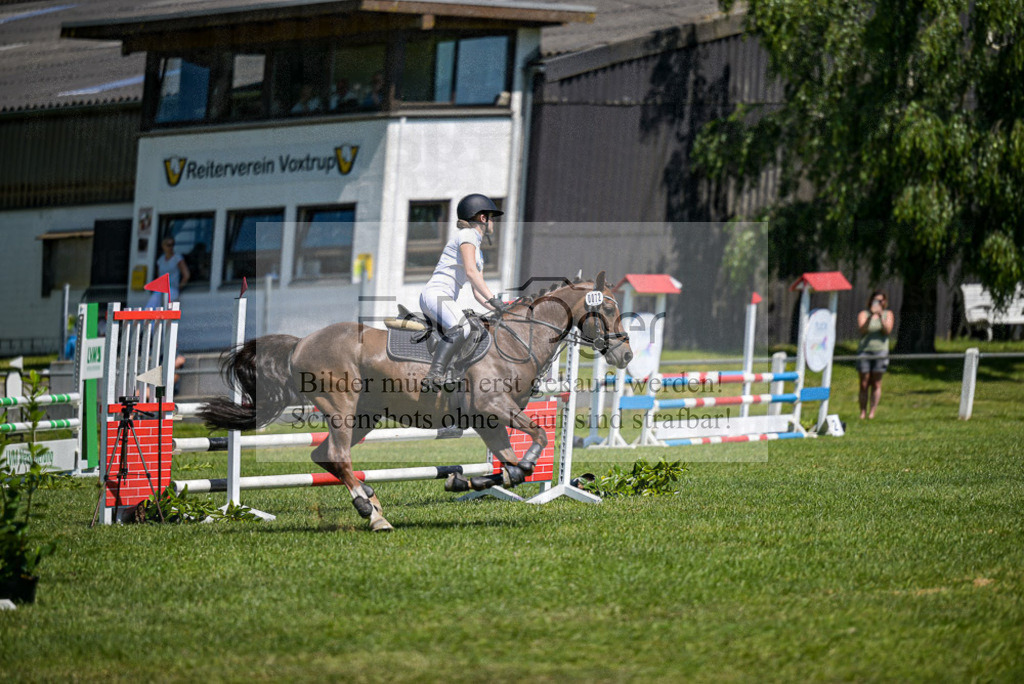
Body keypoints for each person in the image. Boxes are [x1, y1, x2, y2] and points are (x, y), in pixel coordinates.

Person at [419, 194, 505, 391]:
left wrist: (499, 308)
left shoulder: (479, 251)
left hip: (444, 297)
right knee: (463, 327)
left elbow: (477, 291)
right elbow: (470, 272)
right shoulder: (468, 236)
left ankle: (452, 371)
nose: (493, 223)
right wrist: (494, 299)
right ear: (482, 218)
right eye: (491, 217)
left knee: (473, 327)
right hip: (435, 294)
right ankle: (435, 373)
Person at [857, 289, 895, 419]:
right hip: (865, 351)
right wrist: (870, 317)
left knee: (876, 383)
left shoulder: (888, 314)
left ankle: (872, 412)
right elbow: (862, 330)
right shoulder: (864, 314)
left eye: (881, 300)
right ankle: (862, 412)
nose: (878, 303)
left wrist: (879, 316)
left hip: (881, 351)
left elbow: (887, 331)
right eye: (876, 300)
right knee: (864, 383)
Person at [146, 236, 190, 307]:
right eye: (168, 245)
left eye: (172, 245)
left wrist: (179, 287)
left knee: (169, 311)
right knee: (151, 306)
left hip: (172, 289)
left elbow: (186, 275)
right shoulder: (160, 260)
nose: (171, 247)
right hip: (160, 289)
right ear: (163, 246)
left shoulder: (177, 258)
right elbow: (158, 276)